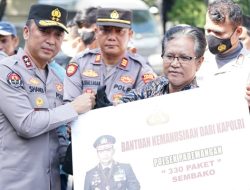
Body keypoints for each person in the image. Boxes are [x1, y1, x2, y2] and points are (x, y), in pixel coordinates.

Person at [0, 4, 95, 190]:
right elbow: (26, 124)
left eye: (58, 35)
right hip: (17, 184)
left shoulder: (58, 78)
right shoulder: (7, 71)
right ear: (26, 32)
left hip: (51, 182)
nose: (51, 41)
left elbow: (57, 136)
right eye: (44, 32)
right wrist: (73, 109)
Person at [64, 7, 157, 105]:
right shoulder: (80, 63)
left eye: (119, 31)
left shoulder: (140, 69)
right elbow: (70, 107)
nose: (112, 37)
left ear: (130, 35)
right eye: (105, 30)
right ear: (96, 32)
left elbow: (147, 106)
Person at [119, 25, 206, 103]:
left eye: (184, 58)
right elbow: (130, 99)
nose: (175, 64)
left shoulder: (198, 101)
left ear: (198, 62)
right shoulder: (157, 85)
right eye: (169, 56)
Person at [196, 0, 250, 85]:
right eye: (208, 30)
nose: (211, 37)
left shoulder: (247, 66)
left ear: (238, 32)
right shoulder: (196, 58)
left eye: (218, 33)